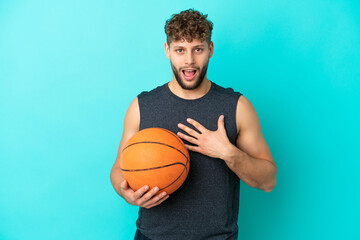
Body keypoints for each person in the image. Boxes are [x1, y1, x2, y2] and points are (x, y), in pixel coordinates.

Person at [110, 8, 277, 240]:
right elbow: (119, 169)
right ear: (167, 50)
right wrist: (124, 191)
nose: (189, 61)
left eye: (197, 49)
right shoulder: (141, 107)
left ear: (210, 49)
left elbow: (268, 181)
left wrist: (229, 153)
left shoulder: (237, 107)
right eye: (180, 50)